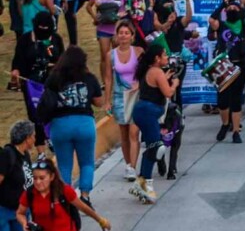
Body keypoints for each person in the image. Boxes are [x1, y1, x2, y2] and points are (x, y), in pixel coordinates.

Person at [44, 47, 104, 206]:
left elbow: (47, 99)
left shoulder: (54, 78)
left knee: (64, 164)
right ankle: (85, 196)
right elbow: (99, 103)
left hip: (60, 124)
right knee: (87, 163)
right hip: (84, 123)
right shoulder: (89, 78)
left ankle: (66, 197)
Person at [129, 45, 178, 203]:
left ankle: (141, 183)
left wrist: (166, 75)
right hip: (147, 113)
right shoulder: (156, 72)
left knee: (152, 147)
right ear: (157, 58)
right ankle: (145, 187)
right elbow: (168, 93)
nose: (166, 58)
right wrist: (175, 83)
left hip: (144, 112)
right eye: (164, 55)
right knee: (157, 147)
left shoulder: (151, 71)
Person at [11, 12, 64, 157]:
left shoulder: (56, 39)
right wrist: (16, 71)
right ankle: (41, 150)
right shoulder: (25, 40)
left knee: (54, 112)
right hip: (31, 86)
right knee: (36, 116)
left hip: (52, 84)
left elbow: (62, 59)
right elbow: (17, 61)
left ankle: (53, 137)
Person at [208, 0, 245, 144]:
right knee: (222, 100)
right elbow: (211, 19)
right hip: (223, 65)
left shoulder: (244, 24)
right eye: (230, 7)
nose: (232, 9)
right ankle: (224, 124)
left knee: (236, 99)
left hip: (239, 64)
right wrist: (223, 3)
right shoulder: (221, 26)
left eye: (235, 7)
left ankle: (236, 131)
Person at [0, 121, 35, 231]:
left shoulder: (25, 156)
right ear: (27, 138)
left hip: (21, 213)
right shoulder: (8, 154)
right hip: (4, 212)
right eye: (33, 136)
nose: (35, 139)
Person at [108, 21, 142, 182]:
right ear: (116, 35)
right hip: (119, 96)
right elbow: (108, 79)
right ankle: (128, 163)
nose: (123, 36)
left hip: (135, 96)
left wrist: (139, 83)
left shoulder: (138, 51)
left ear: (132, 36)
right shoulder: (110, 55)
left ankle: (133, 167)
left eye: (126, 33)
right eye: (120, 32)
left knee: (133, 133)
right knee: (124, 134)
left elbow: (146, 71)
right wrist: (107, 100)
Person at [85, 0, 128, 88]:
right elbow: (89, 6)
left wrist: (123, 17)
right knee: (104, 55)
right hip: (103, 29)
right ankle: (105, 82)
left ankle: (118, 80)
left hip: (118, 30)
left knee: (118, 56)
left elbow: (129, 7)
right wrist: (95, 18)